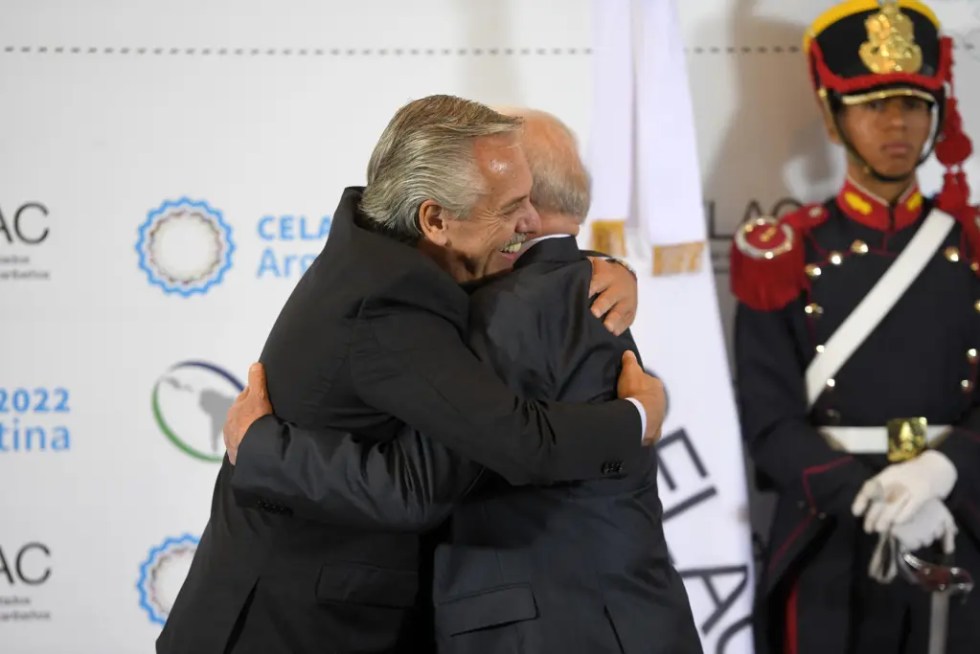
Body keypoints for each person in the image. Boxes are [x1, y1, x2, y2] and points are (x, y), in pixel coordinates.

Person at [158, 95, 665, 654]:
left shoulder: (377, 249)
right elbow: (437, 478)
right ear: (435, 219)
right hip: (288, 626)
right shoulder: (393, 302)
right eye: (514, 206)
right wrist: (636, 418)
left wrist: (595, 266)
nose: (530, 222)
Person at [731, 1, 980, 652]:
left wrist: (940, 475)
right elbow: (768, 421)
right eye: (871, 103)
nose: (896, 122)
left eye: (914, 102)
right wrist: (873, 497)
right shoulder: (783, 251)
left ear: (937, 113)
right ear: (832, 115)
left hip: (964, 519)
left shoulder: (975, 243)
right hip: (831, 536)